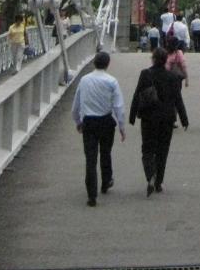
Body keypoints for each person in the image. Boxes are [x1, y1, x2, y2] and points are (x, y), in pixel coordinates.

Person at [71, 50, 126, 206]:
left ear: (94, 62)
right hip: (106, 121)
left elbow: (76, 105)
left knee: (90, 158)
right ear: (108, 64)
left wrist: (78, 121)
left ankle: (91, 194)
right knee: (105, 152)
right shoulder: (112, 81)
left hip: (89, 122)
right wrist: (121, 126)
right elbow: (118, 106)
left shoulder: (84, 80)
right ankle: (106, 180)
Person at [131, 46, 182, 196]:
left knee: (147, 148)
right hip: (167, 118)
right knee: (162, 150)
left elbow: (137, 94)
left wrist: (132, 115)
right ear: (166, 60)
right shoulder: (172, 76)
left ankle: (150, 175)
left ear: (153, 59)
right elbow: (177, 99)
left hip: (148, 118)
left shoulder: (145, 74)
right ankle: (159, 182)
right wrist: (184, 119)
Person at [165, 32, 190, 128]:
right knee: (176, 99)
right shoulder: (178, 53)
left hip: (165, 78)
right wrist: (187, 78)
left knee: (166, 99)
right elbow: (183, 66)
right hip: (176, 79)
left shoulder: (164, 52)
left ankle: (166, 118)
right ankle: (172, 120)